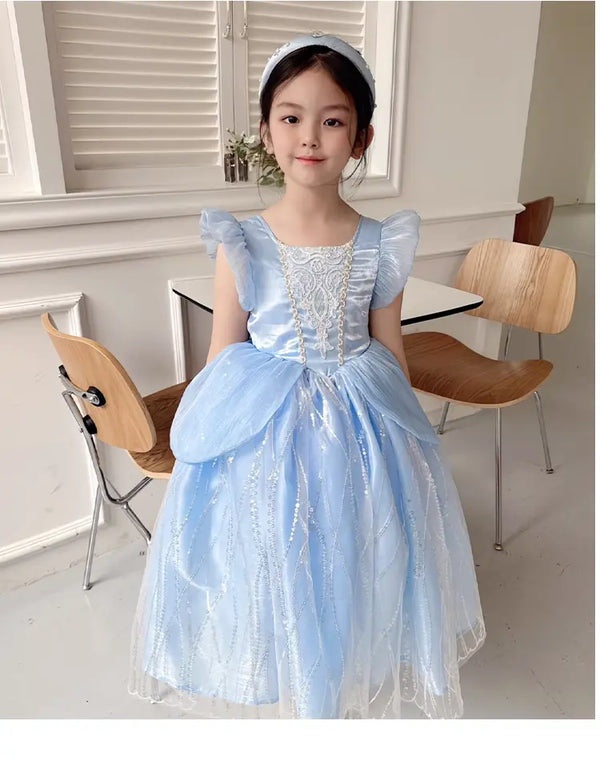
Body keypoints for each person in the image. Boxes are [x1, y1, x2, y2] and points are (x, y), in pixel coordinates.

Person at [129, 32, 485, 720]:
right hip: (268, 431)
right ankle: (295, 686)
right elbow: (224, 353)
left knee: (352, 554)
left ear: (361, 137)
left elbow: (388, 349)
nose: (310, 136)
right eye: (290, 117)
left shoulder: (382, 242)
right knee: (279, 563)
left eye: (333, 119)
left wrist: (411, 441)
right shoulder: (242, 241)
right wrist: (203, 438)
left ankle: (338, 682)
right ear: (265, 131)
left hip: (359, 428)